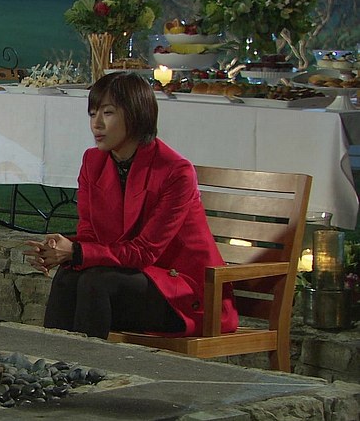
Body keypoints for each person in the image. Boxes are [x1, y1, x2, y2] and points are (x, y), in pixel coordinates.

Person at [23, 71, 238, 339]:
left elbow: (145, 251)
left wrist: (77, 252)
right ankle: (54, 363)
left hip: (185, 292)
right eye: (92, 114)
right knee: (68, 276)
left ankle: (86, 364)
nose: (96, 124)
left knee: (95, 282)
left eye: (108, 113)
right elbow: (90, 235)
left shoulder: (176, 171)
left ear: (136, 115)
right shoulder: (93, 162)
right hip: (133, 277)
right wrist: (61, 250)